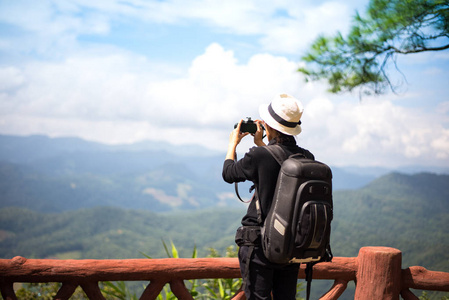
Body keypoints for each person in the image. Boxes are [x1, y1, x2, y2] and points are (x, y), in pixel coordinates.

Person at [222, 93, 315, 300]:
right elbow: (281, 167)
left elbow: (228, 173)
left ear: (268, 126)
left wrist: (232, 144)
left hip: (259, 245)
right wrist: (263, 145)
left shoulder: (258, 156)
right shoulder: (306, 157)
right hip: (290, 245)